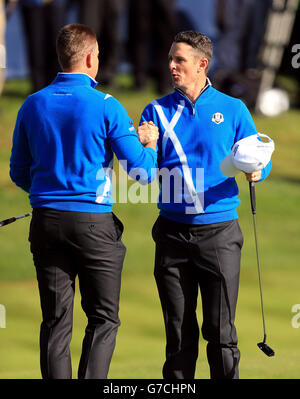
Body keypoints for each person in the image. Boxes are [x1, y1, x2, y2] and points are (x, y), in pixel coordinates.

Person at [9, 23, 158, 379]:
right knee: (103, 318)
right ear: (91, 57)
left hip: (46, 221)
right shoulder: (106, 105)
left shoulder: (33, 103)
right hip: (92, 224)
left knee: (56, 321)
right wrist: (149, 142)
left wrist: (49, 192)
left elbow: (19, 171)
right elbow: (142, 172)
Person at [138, 30, 272, 379]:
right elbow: (143, 174)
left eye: (179, 60)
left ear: (202, 64)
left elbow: (258, 155)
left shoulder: (233, 108)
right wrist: (147, 146)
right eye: (170, 58)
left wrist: (258, 170)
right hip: (171, 234)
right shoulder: (155, 111)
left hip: (220, 234)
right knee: (179, 336)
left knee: (221, 333)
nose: (171, 66)